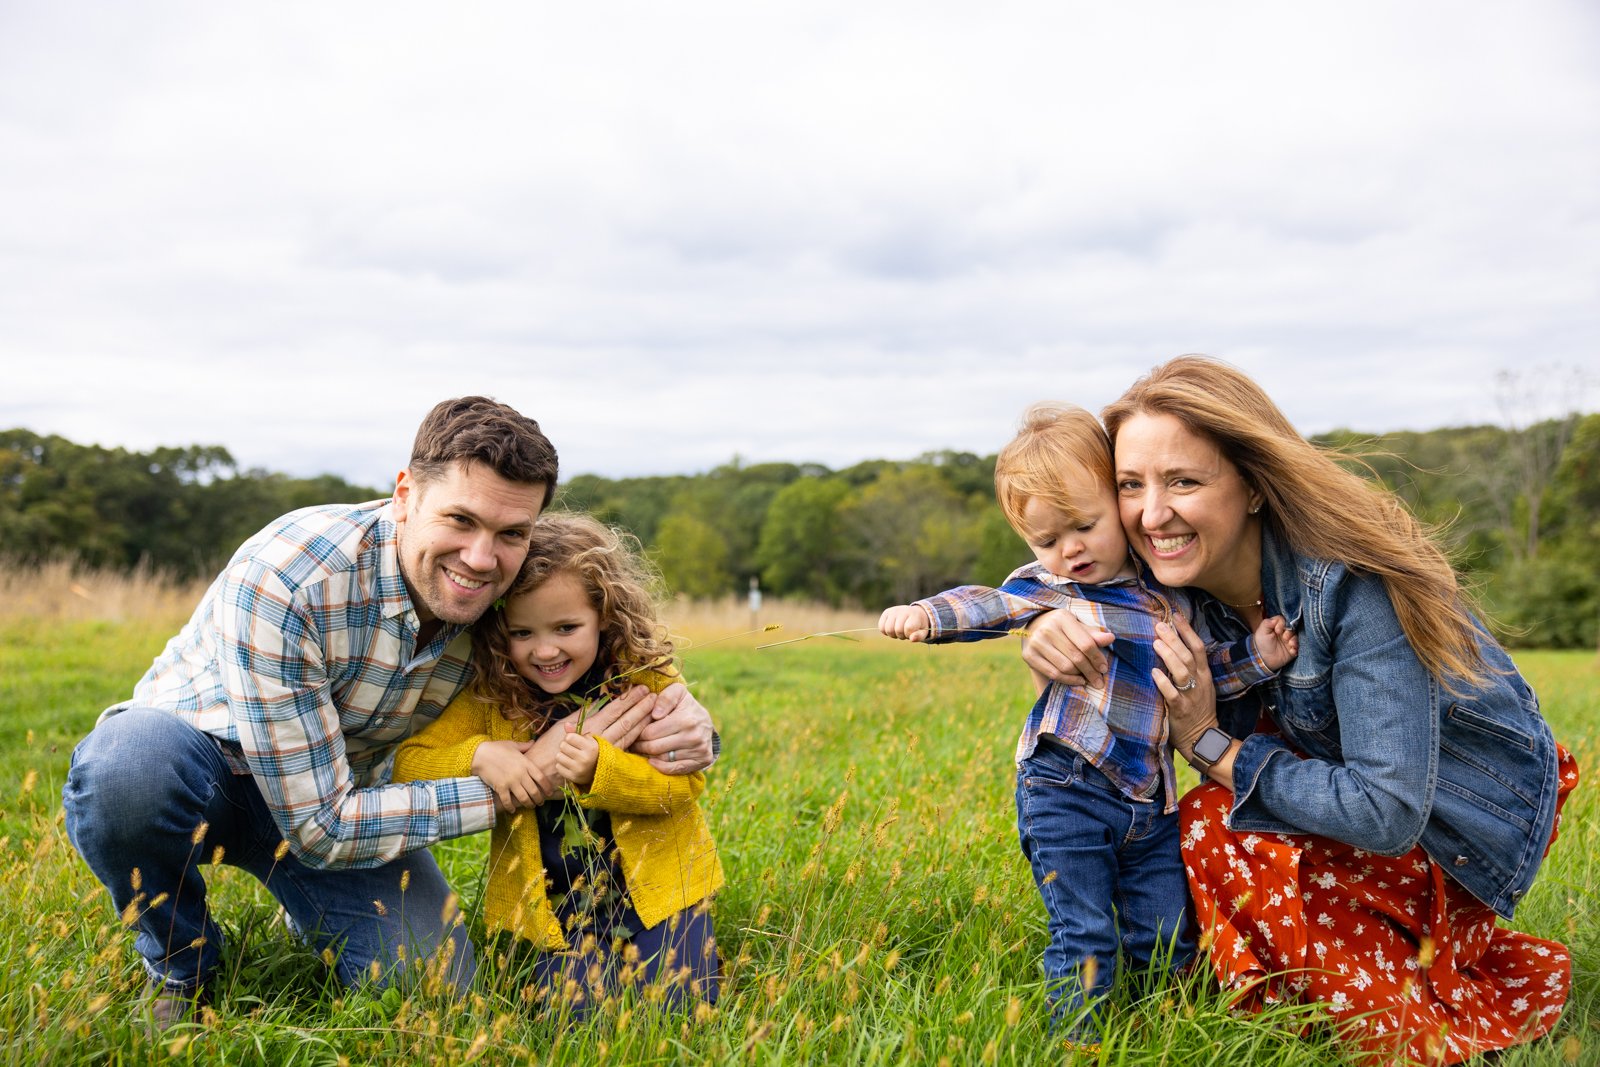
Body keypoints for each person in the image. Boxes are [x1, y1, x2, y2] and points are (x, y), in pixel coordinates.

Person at [60, 396, 718, 1030]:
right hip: (205, 762)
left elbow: (611, 652)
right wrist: (528, 779)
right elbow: (318, 826)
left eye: (510, 531)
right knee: (126, 769)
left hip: (350, 795)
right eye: (460, 520)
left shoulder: (507, 596)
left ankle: (312, 908)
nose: (481, 557)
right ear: (405, 495)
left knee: (430, 987)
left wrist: (691, 722)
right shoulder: (289, 577)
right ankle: (180, 964)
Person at [1022, 357, 1576, 1064]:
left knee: (1212, 825)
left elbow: (1387, 810)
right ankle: (1299, 981)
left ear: (1252, 485)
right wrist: (1047, 626)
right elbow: (1065, 571)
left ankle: (1422, 1003)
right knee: (1196, 832)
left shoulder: (1351, 584)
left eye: (1184, 480)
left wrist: (1209, 745)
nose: (1151, 512)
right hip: (1344, 791)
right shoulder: (1173, 592)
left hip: (1454, 821)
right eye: (1130, 484)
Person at [878, 403, 1297, 1042]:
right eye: (1047, 540)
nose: (1069, 550)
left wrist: (1256, 658)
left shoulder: (1173, 594)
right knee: (1085, 933)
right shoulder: (1051, 589)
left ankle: (1165, 1033)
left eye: (1084, 525)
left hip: (1149, 803)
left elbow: (1204, 672)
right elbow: (988, 602)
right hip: (1066, 789)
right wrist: (926, 615)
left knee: (1166, 931)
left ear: (1117, 500)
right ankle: (1082, 1042)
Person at [392, 512, 723, 1019]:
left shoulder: (642, 680)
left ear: (605, 617)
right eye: (522, 633)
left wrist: (601, 773)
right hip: (554, 910)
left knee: (680, 1006)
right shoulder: (492, 698)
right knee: (569, 1015)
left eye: (567, 628)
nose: (545, 650)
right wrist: (479, 755)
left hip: (660, 896)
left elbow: (683, 787)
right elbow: (409, 764)